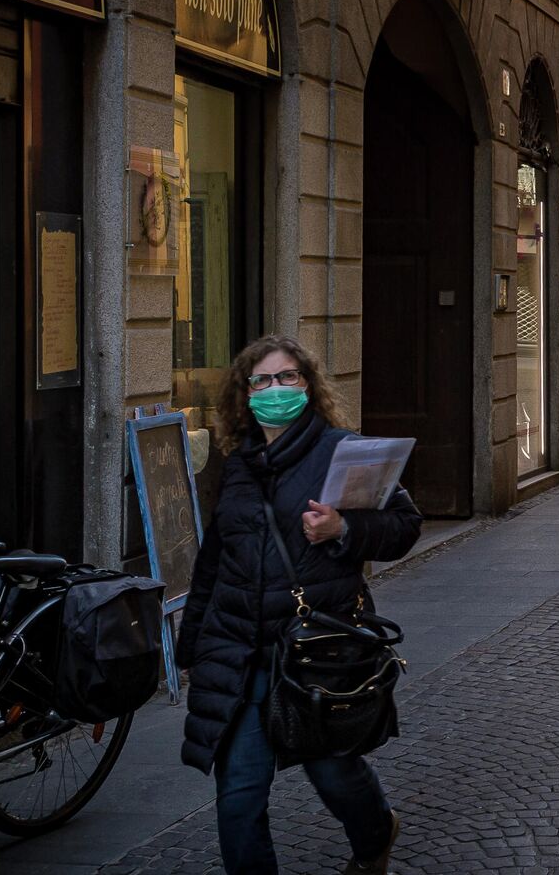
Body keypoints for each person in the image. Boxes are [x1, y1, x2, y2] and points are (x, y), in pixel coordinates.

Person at [177, 334, 422, 875]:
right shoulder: (237, 464)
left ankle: (377, 832)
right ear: (245, 394)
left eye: (286, 377)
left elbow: (404, 527)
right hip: (240, 650)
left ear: (307, 386)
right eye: (260, 380)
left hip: (314, 647)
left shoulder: (343, 450)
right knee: (238, 795)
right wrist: (191, 644)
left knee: (333, 772)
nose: (274, 389)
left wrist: (344, 528)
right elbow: (214, 561)